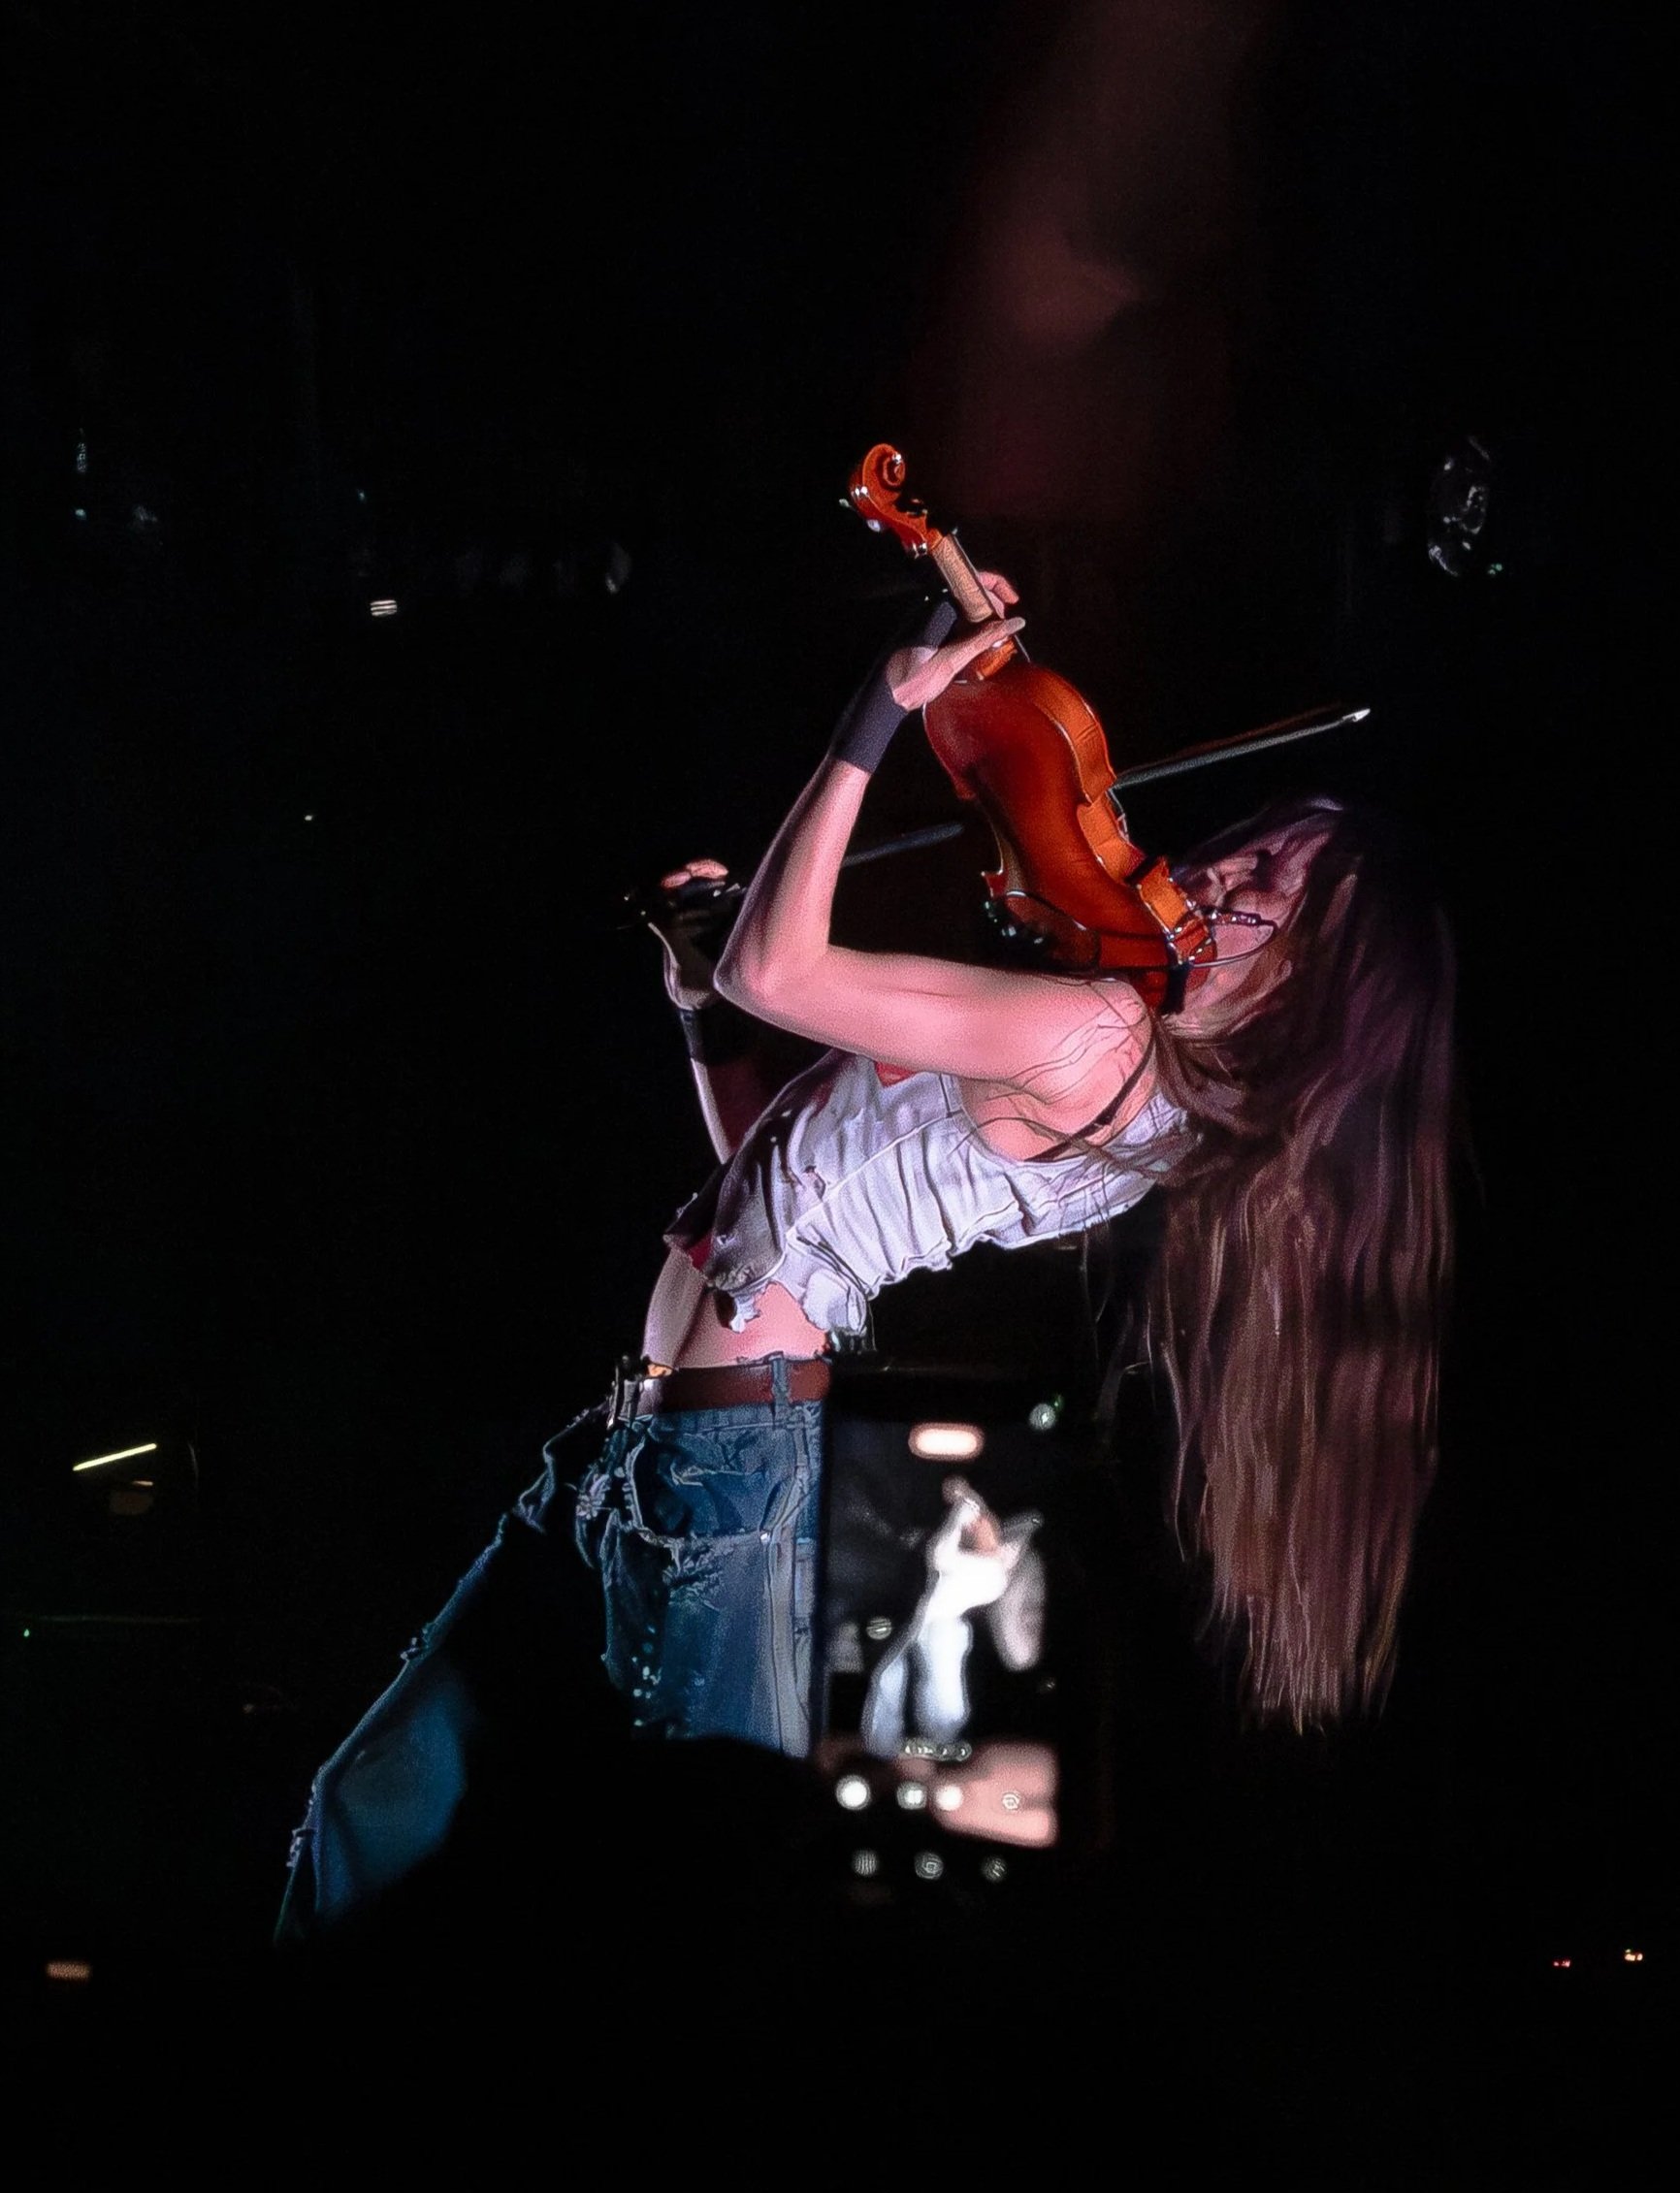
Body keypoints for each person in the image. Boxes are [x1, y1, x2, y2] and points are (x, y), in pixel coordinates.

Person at [276, 576, 1455, 1939]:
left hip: (727, 1480)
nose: (1220, 876)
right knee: (363, 1811)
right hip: (644, 1448)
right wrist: (698, 1007)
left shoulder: (1102, 1042)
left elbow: (782, 972)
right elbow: (776, 1180)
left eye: (1268, 904)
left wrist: (878, 710)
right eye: (1255, 850)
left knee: (681, 1911)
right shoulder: (1113, 1046)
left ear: (1302, 1004)